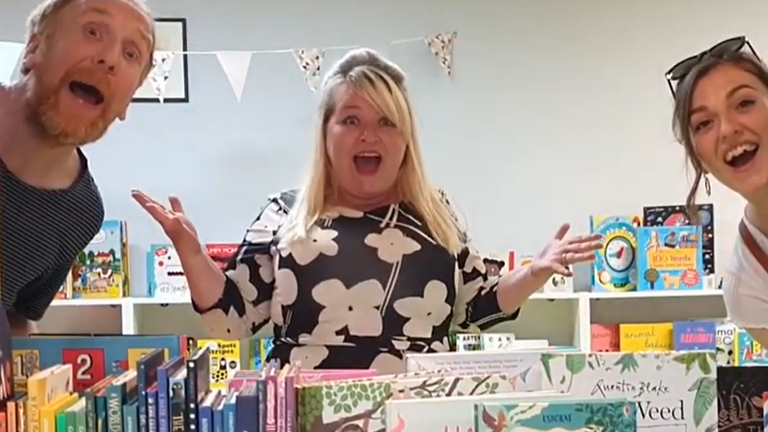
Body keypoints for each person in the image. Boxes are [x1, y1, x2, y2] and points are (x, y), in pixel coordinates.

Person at [134, 48, 602, 373]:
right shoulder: (285, 213)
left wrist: (536, 272)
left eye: (385, 122)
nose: (368, 135)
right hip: (307, 412)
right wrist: (192, 256)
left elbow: (476, 306)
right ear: (326, 132)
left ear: (406, 139)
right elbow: (231, 320)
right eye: (351, 120)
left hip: (415, 410)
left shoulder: (435, 213)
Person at [0, 0, 155, 336]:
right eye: (93, 31)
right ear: (34, 48)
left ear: (127, 102)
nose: (110, 59)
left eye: (132, 54)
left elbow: (18, 316)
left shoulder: (80, 214)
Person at [667, 36, 768, 345]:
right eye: (703, 124)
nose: (727, 129)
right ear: (701, 159)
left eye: (744, 103)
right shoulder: (749, 285)